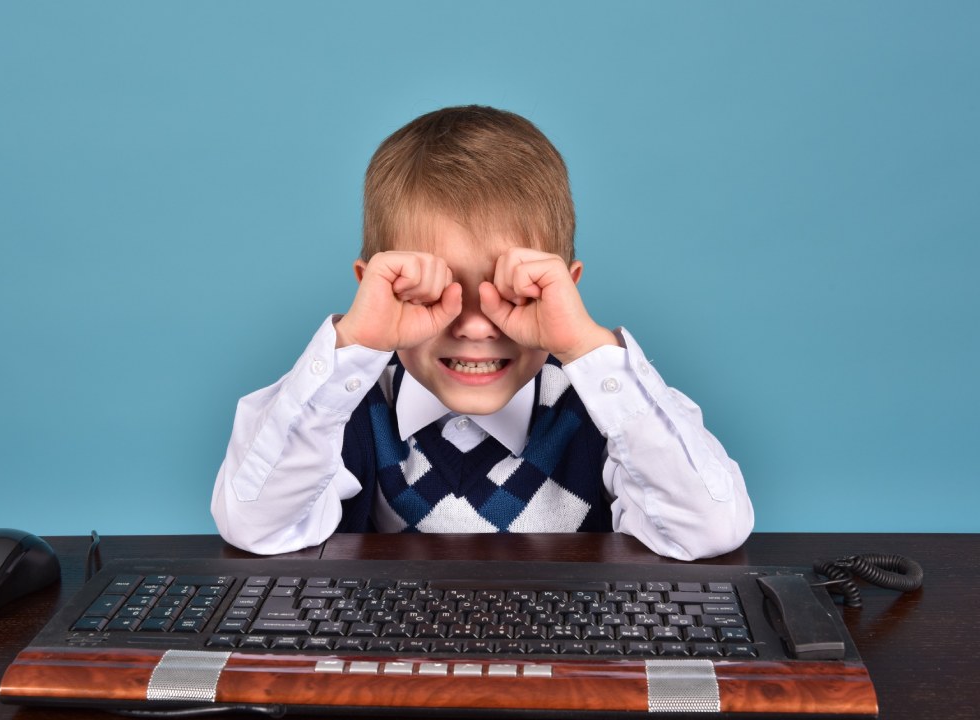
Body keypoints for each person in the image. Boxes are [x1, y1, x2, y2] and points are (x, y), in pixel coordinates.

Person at [212, 105, 753, 560]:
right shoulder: (341, 411)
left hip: (567, 677)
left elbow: (709, 529)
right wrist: (356, 342)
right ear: (374, 288)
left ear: (566, 289)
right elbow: (256, 525)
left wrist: (589, 346)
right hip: (396, 679)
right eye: (432, 294)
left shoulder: (607, 415)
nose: (474, 326)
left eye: (513, 293)